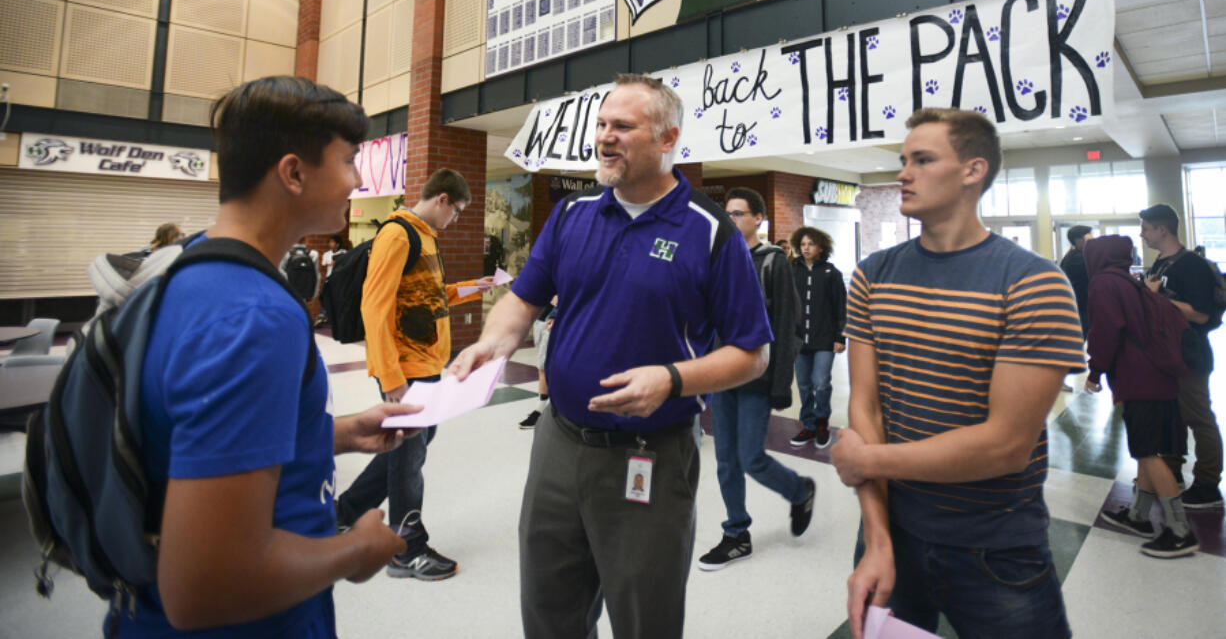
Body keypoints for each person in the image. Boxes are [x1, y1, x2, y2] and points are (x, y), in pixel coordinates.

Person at [451, 74, 771, 638]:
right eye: (601, 125)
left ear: (667, 138)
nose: (605, 137)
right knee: (550, 612)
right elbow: (523, 299)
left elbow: (752, 354)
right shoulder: (572, 217)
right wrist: (491, 343)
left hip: (651, 454)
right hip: (558, 442)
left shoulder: (710, 232)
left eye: (623, 126)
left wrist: (672, 379)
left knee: (644, 618)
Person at [114, 75, 418, 637]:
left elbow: (199, 442)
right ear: (294, 172)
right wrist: (355, 550)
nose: (357, 181)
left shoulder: (190, 267)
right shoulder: (255, 317)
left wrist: (341, 432)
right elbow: (206, 587)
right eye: (350, 161)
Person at [832, 108, 1084, 639]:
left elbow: (1005, 445)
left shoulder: (1034, 283)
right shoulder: (873, 276)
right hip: (890, 530)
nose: (903, 172)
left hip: (995, 548)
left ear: (973, 171)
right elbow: (866, 405)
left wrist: (866, 459)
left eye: (922, 160)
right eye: (903, 160)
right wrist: (877, 537)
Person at [333, 169, 495, 580]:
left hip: (427, 365)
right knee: (409, 457)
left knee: (411, 446)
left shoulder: (425, 237)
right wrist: (390, 378)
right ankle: (407, 548)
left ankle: (344, 512)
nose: (455, 219)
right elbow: (375, 306)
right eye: (456, 211)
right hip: (405, 369)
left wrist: (474, 286)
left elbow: (429, 296)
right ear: (441, 199)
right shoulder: (398, 234)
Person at [697, 187, 814, 570]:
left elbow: (788, 325)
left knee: (751, 458)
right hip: (722, 375)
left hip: (758, 378)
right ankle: (736, 534)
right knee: (726, 461)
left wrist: (781, 384)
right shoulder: (719, 260)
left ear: (758, 218)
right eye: (726, 214)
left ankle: (799, 490)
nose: (730, 219)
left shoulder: (773, 262)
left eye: (738, 214)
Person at [1083, 235, 1198, 557]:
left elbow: (1106, 330)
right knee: (1145, 448)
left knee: (1147, 452)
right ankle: (1138, 516)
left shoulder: (1104, 283)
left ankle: (1180, 531)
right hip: (1158, 375)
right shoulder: (1129, 280)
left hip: (1138, 379)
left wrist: (1094, 371)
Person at [1140, 202, 1223, 509]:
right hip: (1164, 355)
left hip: (1189, 355)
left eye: (1147, 229)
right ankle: (1171, 470)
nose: (1143, 234)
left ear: (1163, 229)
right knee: (1170, 416)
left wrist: (1157, 298)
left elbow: (1200, 315)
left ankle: (1207, 483)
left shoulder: (1192, 266)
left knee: (1199, 418)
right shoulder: (1158, 264)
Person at [788, 225, 847, 449]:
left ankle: (822, 422)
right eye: (802, 244)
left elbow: (841, 307)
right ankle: (809, 425)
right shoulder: (793, 270)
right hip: (800, 340)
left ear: (821, 247)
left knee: (820, 383)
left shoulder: (832, 273)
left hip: (825, 339)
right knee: (803, 385)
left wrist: (840, 337)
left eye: (811, 244)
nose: (806, 248)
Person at [519, 299, 556, 430]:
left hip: (550, 321)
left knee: (544, 368)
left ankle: (539, 411)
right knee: (543, 366)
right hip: (540, 320)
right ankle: (544, 407)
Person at [1060, 225, 1093, 336]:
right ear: (1078, 240)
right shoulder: (1075, 259)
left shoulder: (1076, 256)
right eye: (1088, 239)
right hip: (1080, 308)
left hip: (1080, 306)